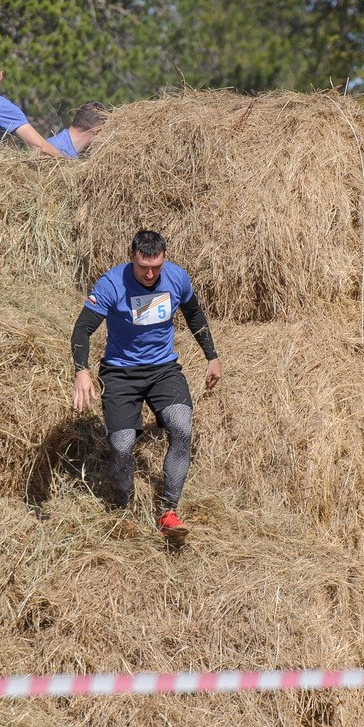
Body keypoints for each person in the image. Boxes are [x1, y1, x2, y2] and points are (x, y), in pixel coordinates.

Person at [70, 230, 222, 545]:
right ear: (132, 258)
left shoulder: (177, 278)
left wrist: (212, 357)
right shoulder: (111, 284)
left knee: (181, 428)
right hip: (120, 373)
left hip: (164, 370)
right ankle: (123, 511)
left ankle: (168, 512)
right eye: (143, 268)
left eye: (156, 267)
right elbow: (83, 328)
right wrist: (81, 370)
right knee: (122, 446)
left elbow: (195, 315)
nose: (150, 274)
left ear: (164, 259)